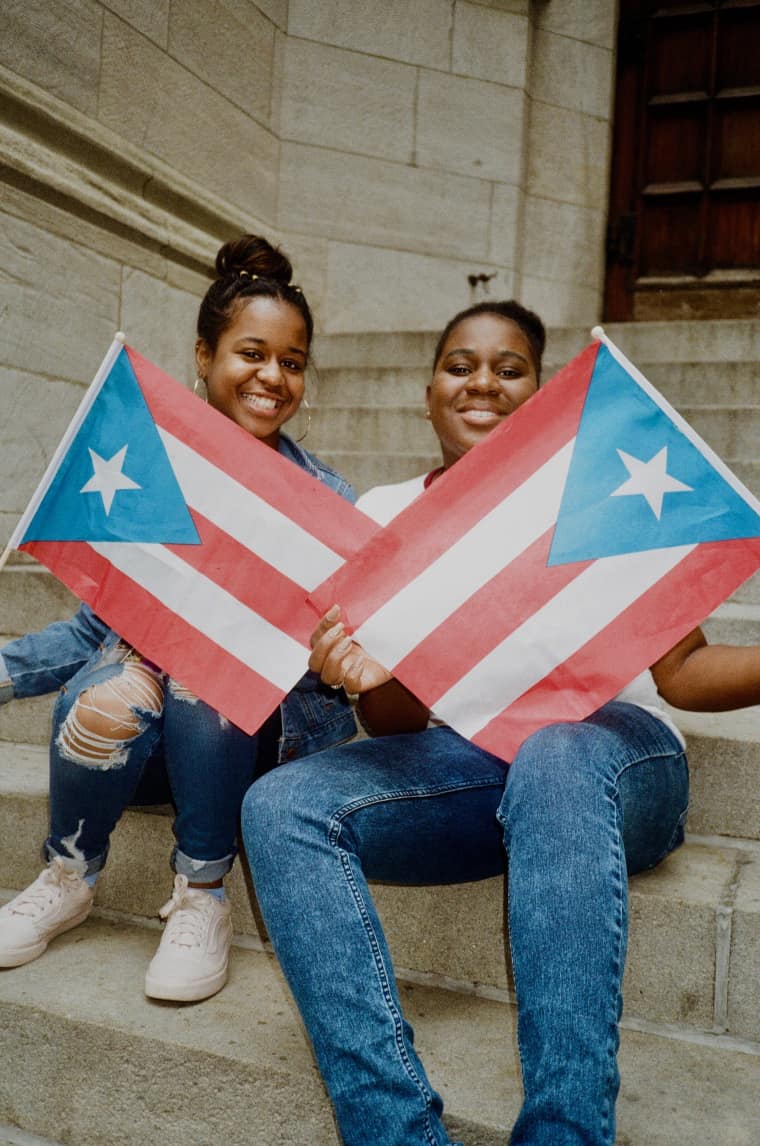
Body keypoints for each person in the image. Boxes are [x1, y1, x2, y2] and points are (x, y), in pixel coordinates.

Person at [242, 299, 760, 1145]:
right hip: (471, 767)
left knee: (557, 754)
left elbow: (688, 674)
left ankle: (564, 1130)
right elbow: (394, 718)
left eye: (509, 367)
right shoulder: (386, 514)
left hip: (613, 757)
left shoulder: (599, 490)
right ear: (428, 390)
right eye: (459, 364)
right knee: (278, 805)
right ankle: (392, 1130)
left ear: (542, 391)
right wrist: (371, 672)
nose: (482, 381)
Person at [0, 234, 356, 1003]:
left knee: (207, 668)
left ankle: (202, 895)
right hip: (145, 738)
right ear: (203, 356)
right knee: (114, 689)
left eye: (291, 363)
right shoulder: (154, 482)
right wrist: (5, 671)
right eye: (251, 353)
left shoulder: (322, 503)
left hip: (251, 740)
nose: (271, 377)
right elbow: (93, 629)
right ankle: (68, 874)